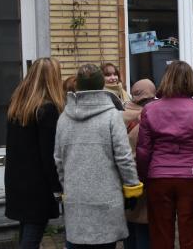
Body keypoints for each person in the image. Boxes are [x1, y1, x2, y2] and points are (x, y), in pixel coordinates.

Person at [54, 64, 142, 249]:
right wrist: (132, 187)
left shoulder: (64, 118)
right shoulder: (112, 116)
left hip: (76, 200)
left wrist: (66, 186)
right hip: (107, 200)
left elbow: (59, 160)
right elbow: (124, 157)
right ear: (100, 84)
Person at [137, 61, 193, 249]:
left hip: (158, 177)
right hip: (191, 178)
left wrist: (143, 176)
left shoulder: (150, 109)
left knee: (160, 233)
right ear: (190, 81)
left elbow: (143, 150)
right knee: (192, 233)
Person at [4, 58, 65, 249]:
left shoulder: (18, 105)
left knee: (27, 228)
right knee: (33, 233)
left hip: (17, 179)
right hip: (38, 185)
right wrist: (58, 186)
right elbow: (49, 155)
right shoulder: (47, 110)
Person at [122, 79, 157, 249]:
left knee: (129, 226)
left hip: (123, 179)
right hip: (142, 177)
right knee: (144, 226)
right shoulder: (148, 116)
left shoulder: (121, 113)